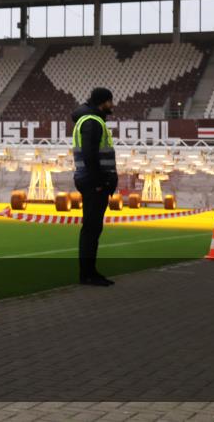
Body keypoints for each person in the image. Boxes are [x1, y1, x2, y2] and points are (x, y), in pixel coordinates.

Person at [71, 87, 118, 286]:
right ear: (102, 102)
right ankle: (88, 274)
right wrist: (100, 183)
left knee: (92, 228)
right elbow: (91, 155)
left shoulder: (90, 120)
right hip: (93, 184)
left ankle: (90, 272)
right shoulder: (92, 122)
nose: (112, 105)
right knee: (91, 229)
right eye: (110, 101)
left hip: (91, 182)